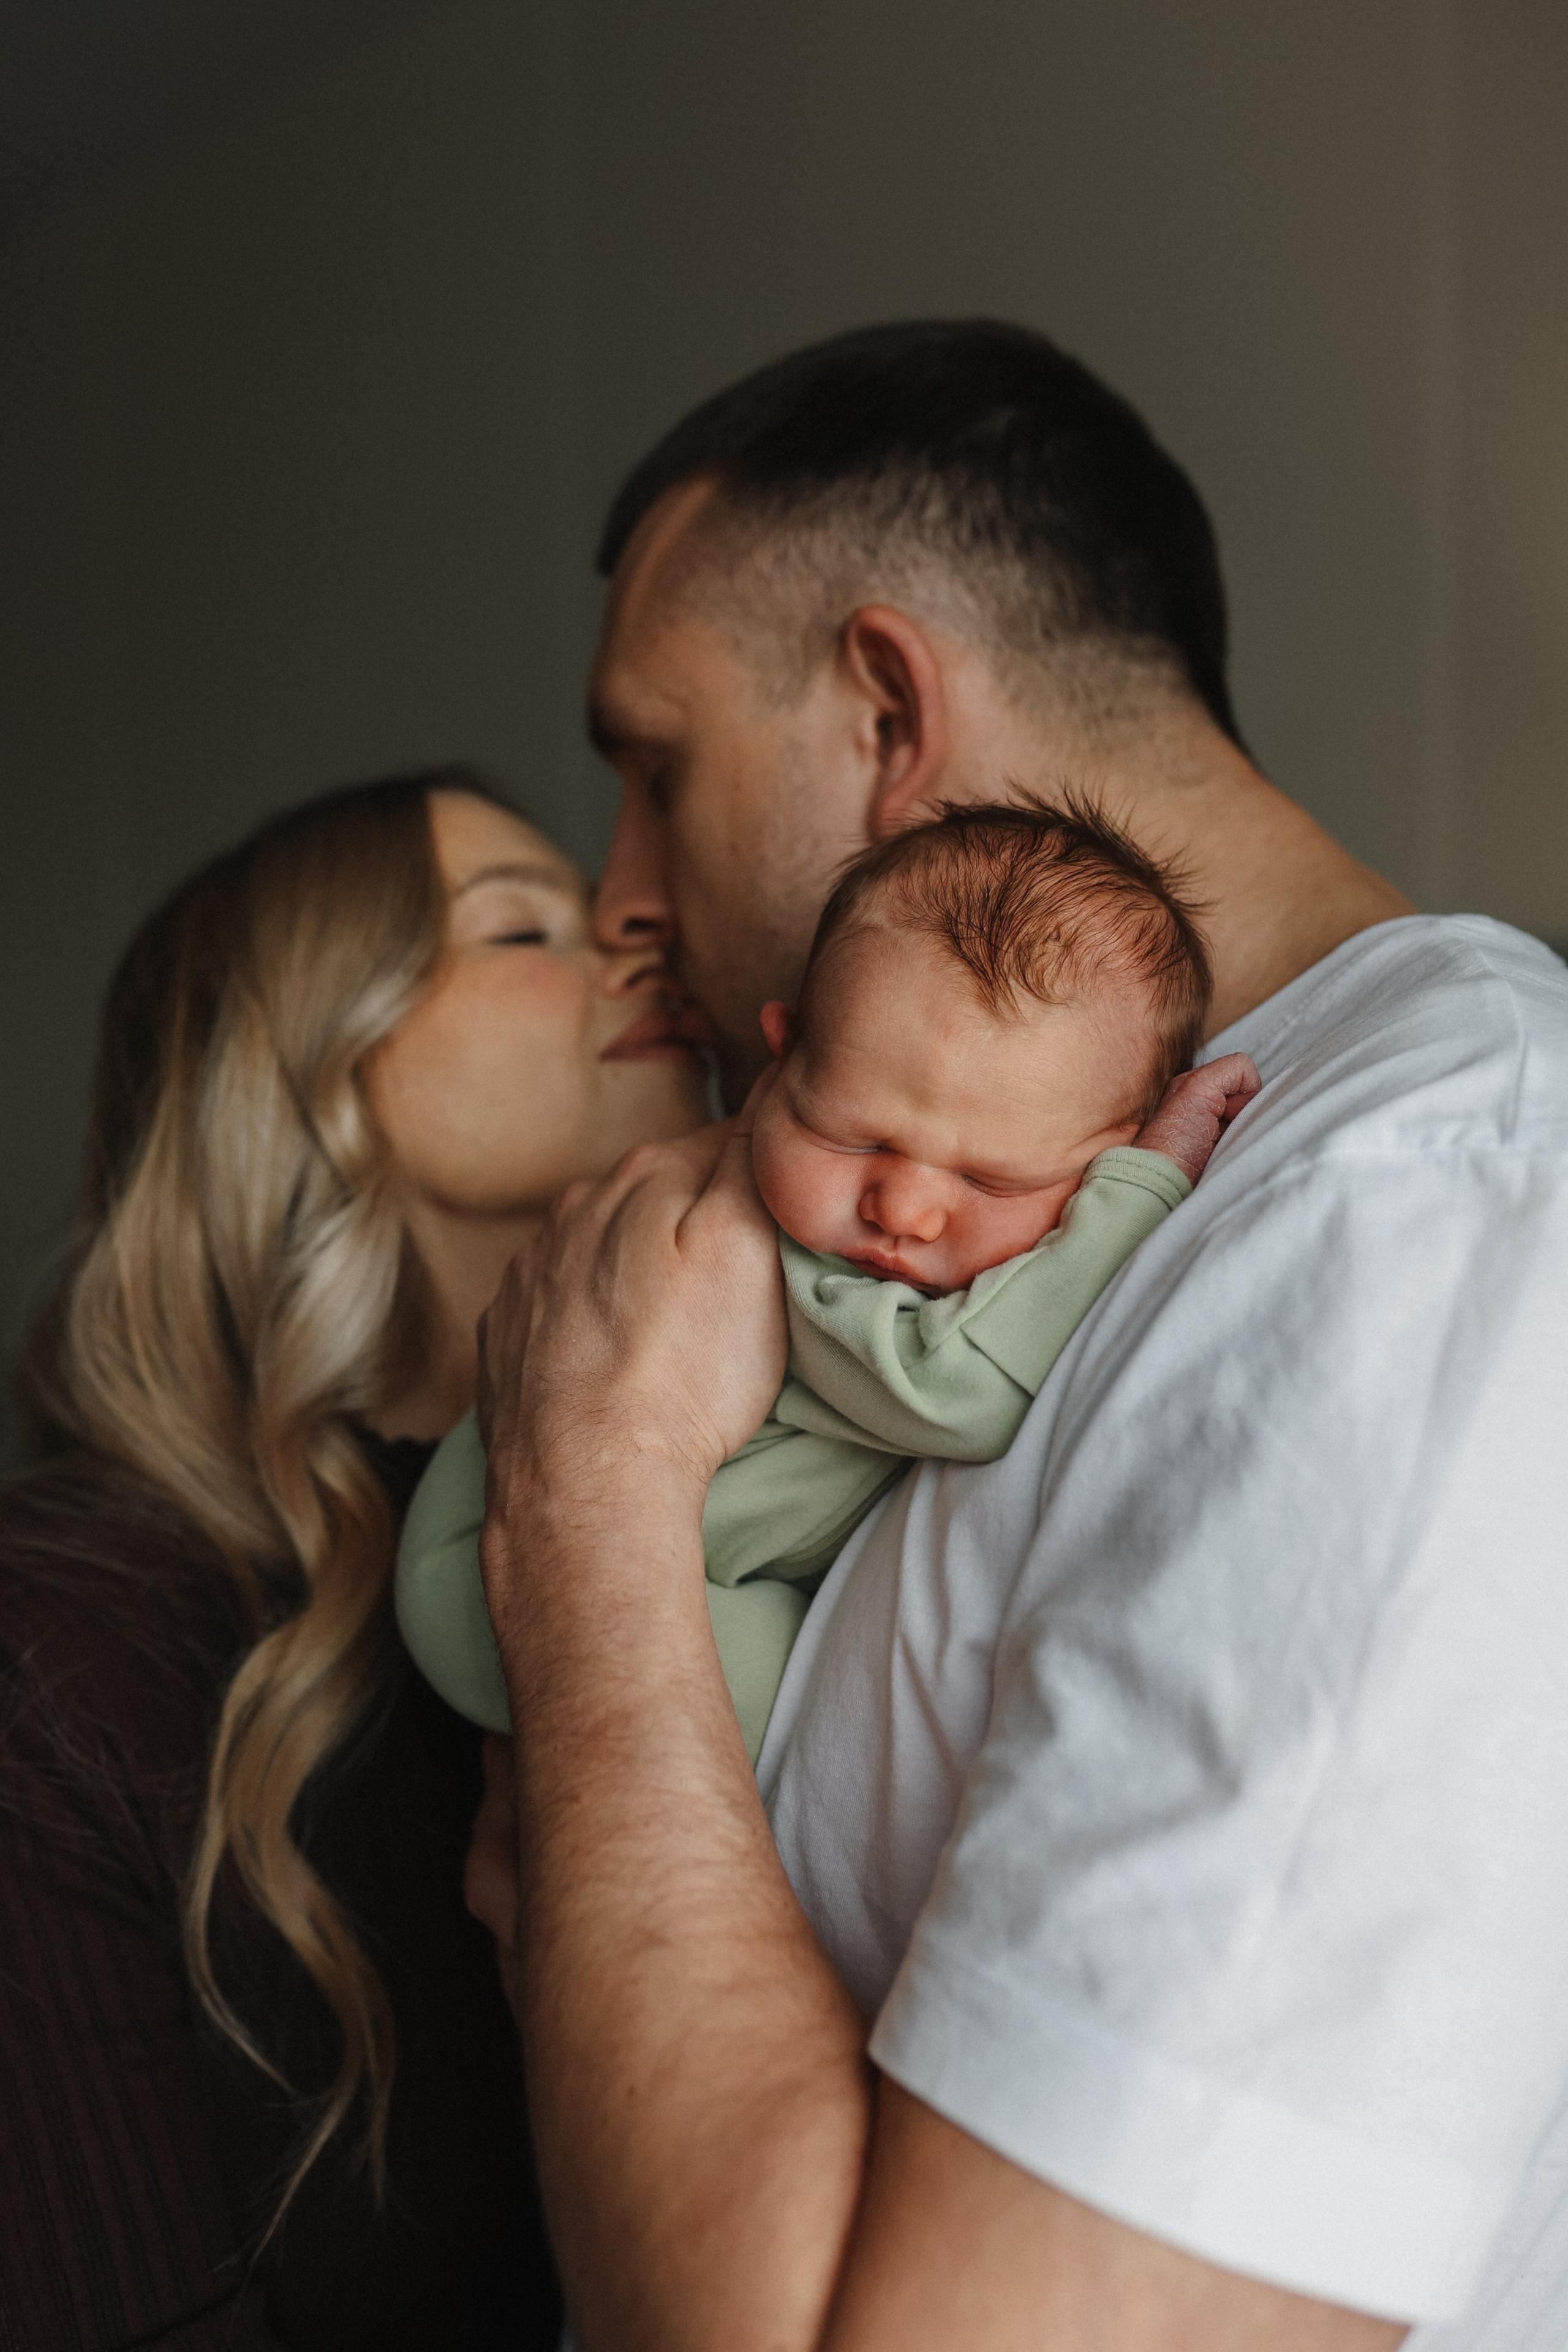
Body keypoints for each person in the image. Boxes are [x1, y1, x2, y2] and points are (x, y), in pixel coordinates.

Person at [462, 317, 1568, 2351]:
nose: (621, 896)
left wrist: (594, 1539)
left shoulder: (1412, 1205)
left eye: (654, 768)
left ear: (886, 709)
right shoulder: (1011, 1227)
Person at [0, 771, 708, 2350]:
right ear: (303, 1061)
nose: (635, 944)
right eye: (522, 926)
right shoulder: (65, 1642)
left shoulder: (691, 1542)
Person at [396, 797, 1258, 1760]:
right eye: (853, 1135)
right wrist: (1145, 1190)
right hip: (482, 1574)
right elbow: (953, 1393)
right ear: (785, 1054)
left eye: (991, 1179)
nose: (904, 1209)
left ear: (1102, 1148)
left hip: (624, 1573)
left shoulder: (864, 1203)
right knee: (815, 1706)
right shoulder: (762, 1236)